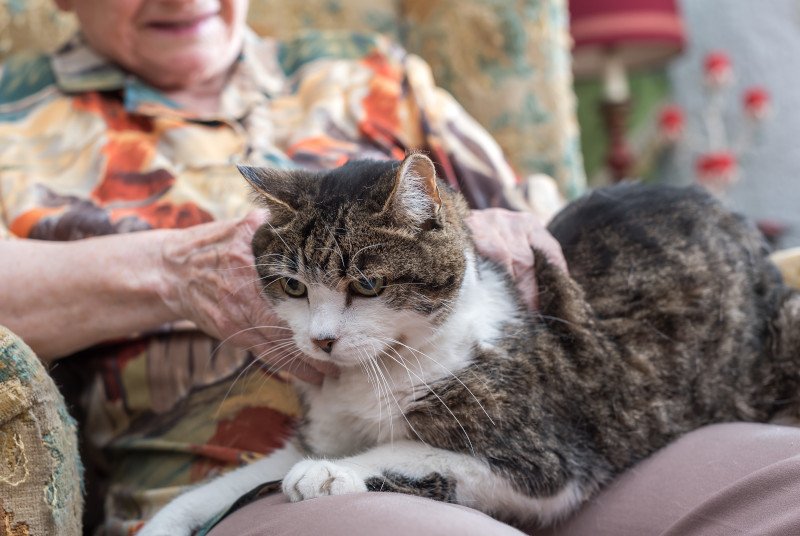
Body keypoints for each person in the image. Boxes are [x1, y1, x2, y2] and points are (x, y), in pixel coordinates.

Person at [2, 2, 800, 536]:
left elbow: (541, 238)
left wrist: (503, 232)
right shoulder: (17, 119)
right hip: (264, 489)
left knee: (780, 482)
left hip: (528, 431)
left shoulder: (378, 72)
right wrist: (171, 270)